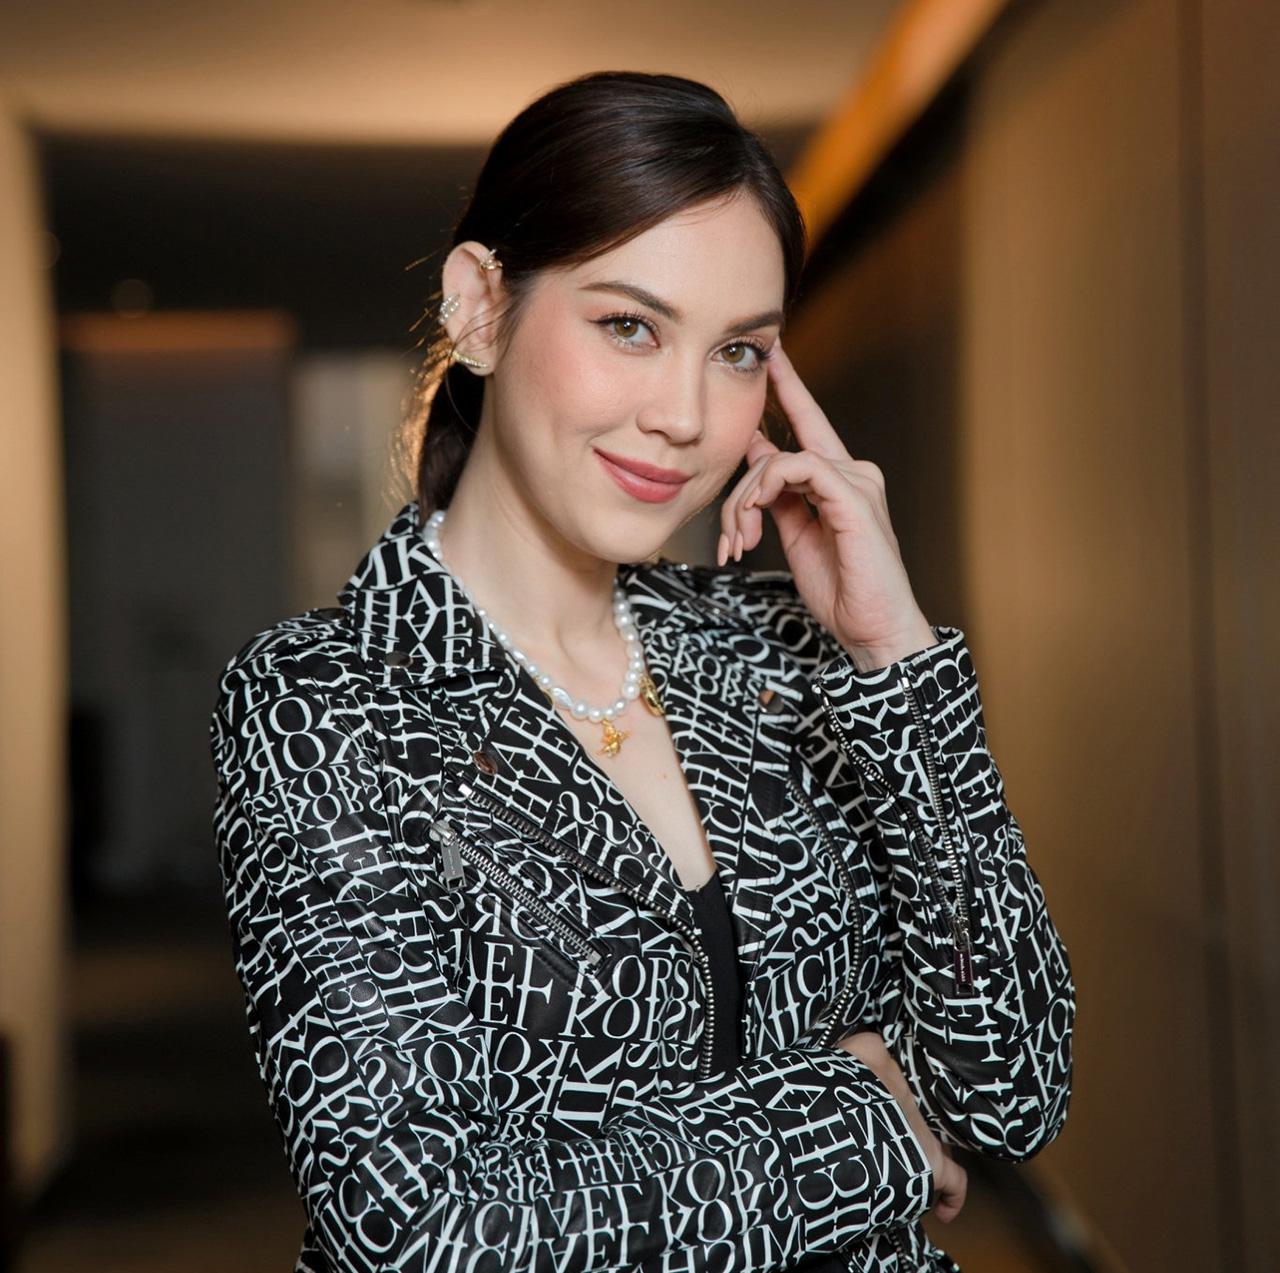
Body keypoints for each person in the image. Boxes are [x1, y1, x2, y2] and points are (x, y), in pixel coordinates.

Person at [210, 69, 1075, 1273]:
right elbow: (419, 1231)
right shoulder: (328, 699)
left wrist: (897, 659)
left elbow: (1011, 1087)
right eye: (629, 326)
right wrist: (859, 1120)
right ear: (479, 307)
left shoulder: (776, 644)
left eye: (738, 352)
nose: (684, 414)